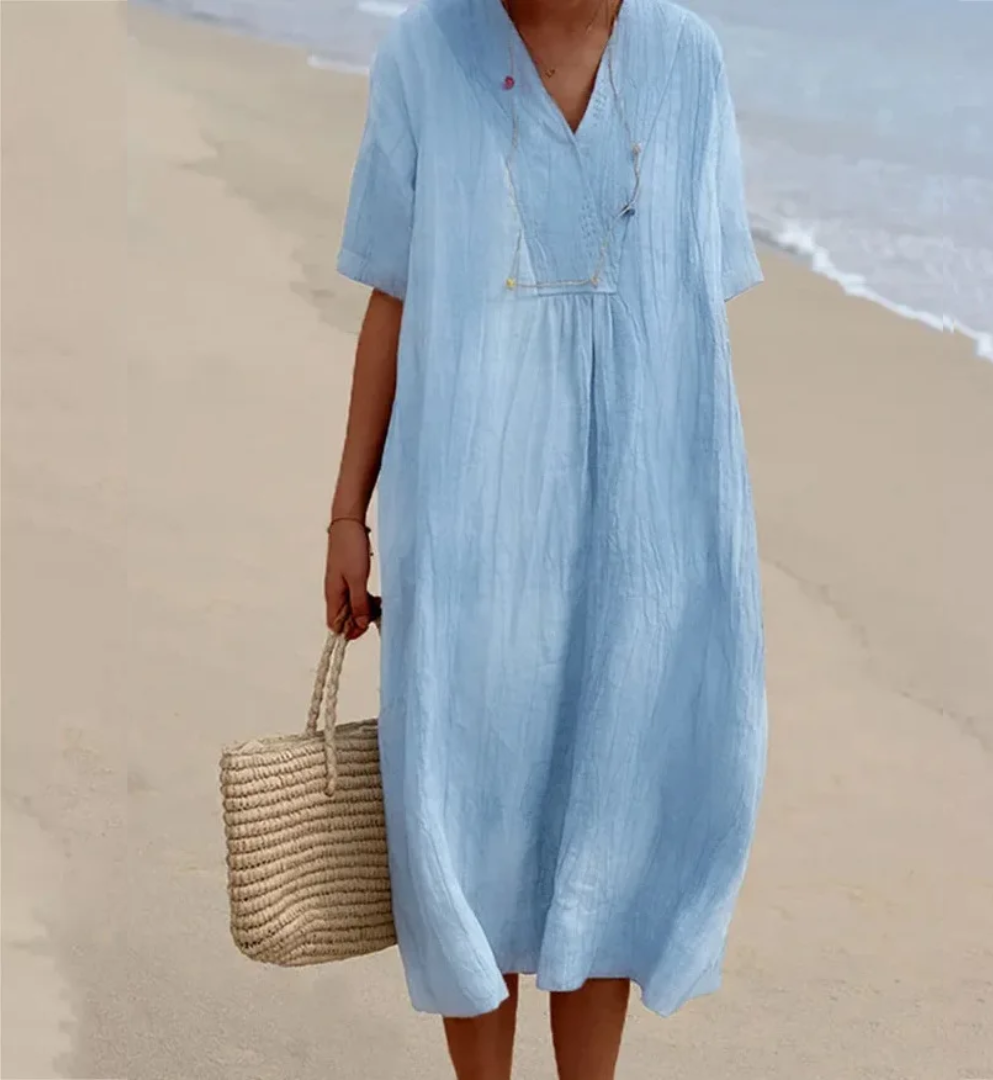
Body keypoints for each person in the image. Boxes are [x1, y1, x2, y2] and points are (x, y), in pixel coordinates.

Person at [324, 0, 767, 1074]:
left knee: (614, 801)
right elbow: (395, 289)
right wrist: (348, 509)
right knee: (469, 806)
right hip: (468, 521)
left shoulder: (685, 62)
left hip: (644, 526)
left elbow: (690, 309)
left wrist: (699, 537)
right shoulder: (427, 55)